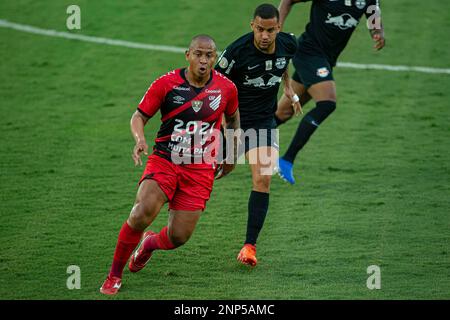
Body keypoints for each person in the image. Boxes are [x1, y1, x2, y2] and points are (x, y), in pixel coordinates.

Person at [100, 34, 240, 295]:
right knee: (141, 212)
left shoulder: (226, 88)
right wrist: (140, 139)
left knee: (179, 237)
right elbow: (139, 116)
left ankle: (149, 245)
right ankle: (114, 275)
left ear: (215, 59)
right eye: (198, 54)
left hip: (199, 168)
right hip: (166, 159)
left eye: (209, 55)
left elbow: (232, 120)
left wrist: (231, 155)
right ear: (187, 55)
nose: (203, 60)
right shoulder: (166, 84)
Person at [215, 3, 299, 266]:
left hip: (263, 123)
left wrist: (288, 89)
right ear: (252, 25)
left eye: (270, 30)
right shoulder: (236, 52)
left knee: (262, 180)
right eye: (260, 29)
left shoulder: (288, 44)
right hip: (232, 123)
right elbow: (214, 87)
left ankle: (249, 247)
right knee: (209, 175)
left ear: (278, 28)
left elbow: (283, 63)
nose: (265, 36)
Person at [275, 0, 385, 184]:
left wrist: (377, 32)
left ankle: (226, 149)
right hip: (309, 53)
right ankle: (286, 160)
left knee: (281, 113)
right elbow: (288, 1)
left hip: (326, 60)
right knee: (327, 103)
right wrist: (277, 29)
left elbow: (373, 14)